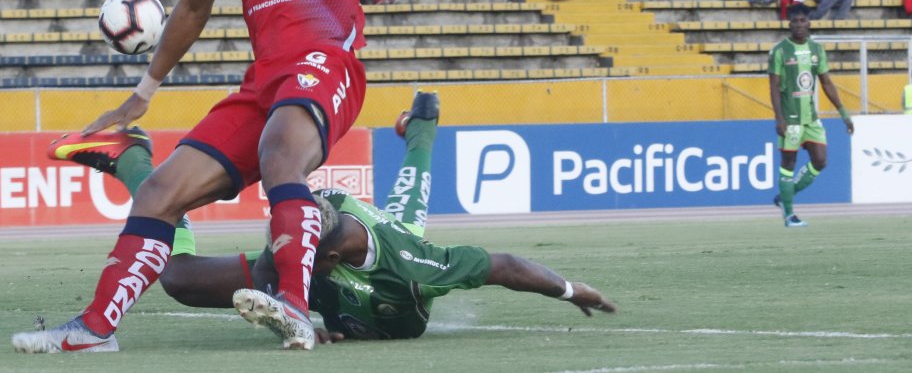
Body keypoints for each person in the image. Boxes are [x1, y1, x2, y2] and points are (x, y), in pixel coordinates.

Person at [10, 0, 616, 354]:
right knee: (159, 193)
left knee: (281, 153)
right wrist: (144, 92)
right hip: (263, 84)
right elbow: (194, 5)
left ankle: (294, 304)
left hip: (328, 63)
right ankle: (95, 329)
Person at [44, 93, 616, 343]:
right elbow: (294, 243)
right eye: (282, 243)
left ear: (333, 257)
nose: (282, 251)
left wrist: (571, 290)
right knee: (178, 278)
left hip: (390, 253)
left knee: (409, 210)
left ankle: (423, 123)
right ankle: (135, 160)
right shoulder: (305, 243)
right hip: (340, 234)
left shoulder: (416, 268)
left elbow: (505, 264)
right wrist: (291, 312)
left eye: (296, 249)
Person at [768, 7, 853, 227]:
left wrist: (843, 113)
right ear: (789, 24)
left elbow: (826, 82)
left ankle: (785, 196)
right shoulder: (779, 51)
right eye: (794, 20)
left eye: (802, 20)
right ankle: (789, 215)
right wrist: (779, 118)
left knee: (821, 160)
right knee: (788, 164)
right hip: (790, 118)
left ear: (809, 23)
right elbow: (774, 86)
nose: (798, 24)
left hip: (811, 118)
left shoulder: (817, 49)